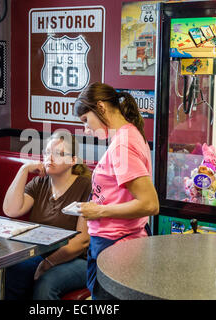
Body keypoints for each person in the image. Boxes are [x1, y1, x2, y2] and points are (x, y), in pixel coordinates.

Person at [74, 82, 159, 300]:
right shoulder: (128, 134)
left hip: (118, 246)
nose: (86, 129)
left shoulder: (123, 144)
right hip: (118, 242)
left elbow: (150, 204)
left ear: (100, 107)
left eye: (86, 120)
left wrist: (99, 212)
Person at [2, 131, 91, 300]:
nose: (50, 158)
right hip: (41, 252)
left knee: (46, 283)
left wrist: (48, 263)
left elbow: (82, 242)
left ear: (73, 160)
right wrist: (24, 169)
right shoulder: (39, 182)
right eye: (47, 152)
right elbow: (11, 210)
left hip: (79, 259)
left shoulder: (86, 186)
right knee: (13, 269)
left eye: (59, 154)